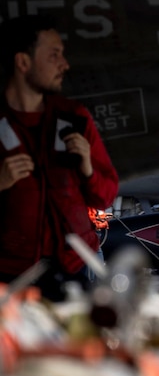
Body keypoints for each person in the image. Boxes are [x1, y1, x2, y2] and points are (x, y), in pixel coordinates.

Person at [0, 15, 119, 300]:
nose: (64, 65)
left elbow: (104, 196)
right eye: (54, 56)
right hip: (10, 281)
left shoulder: (74, 118)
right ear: (23, 63)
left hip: (71, 273)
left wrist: (88, 168)